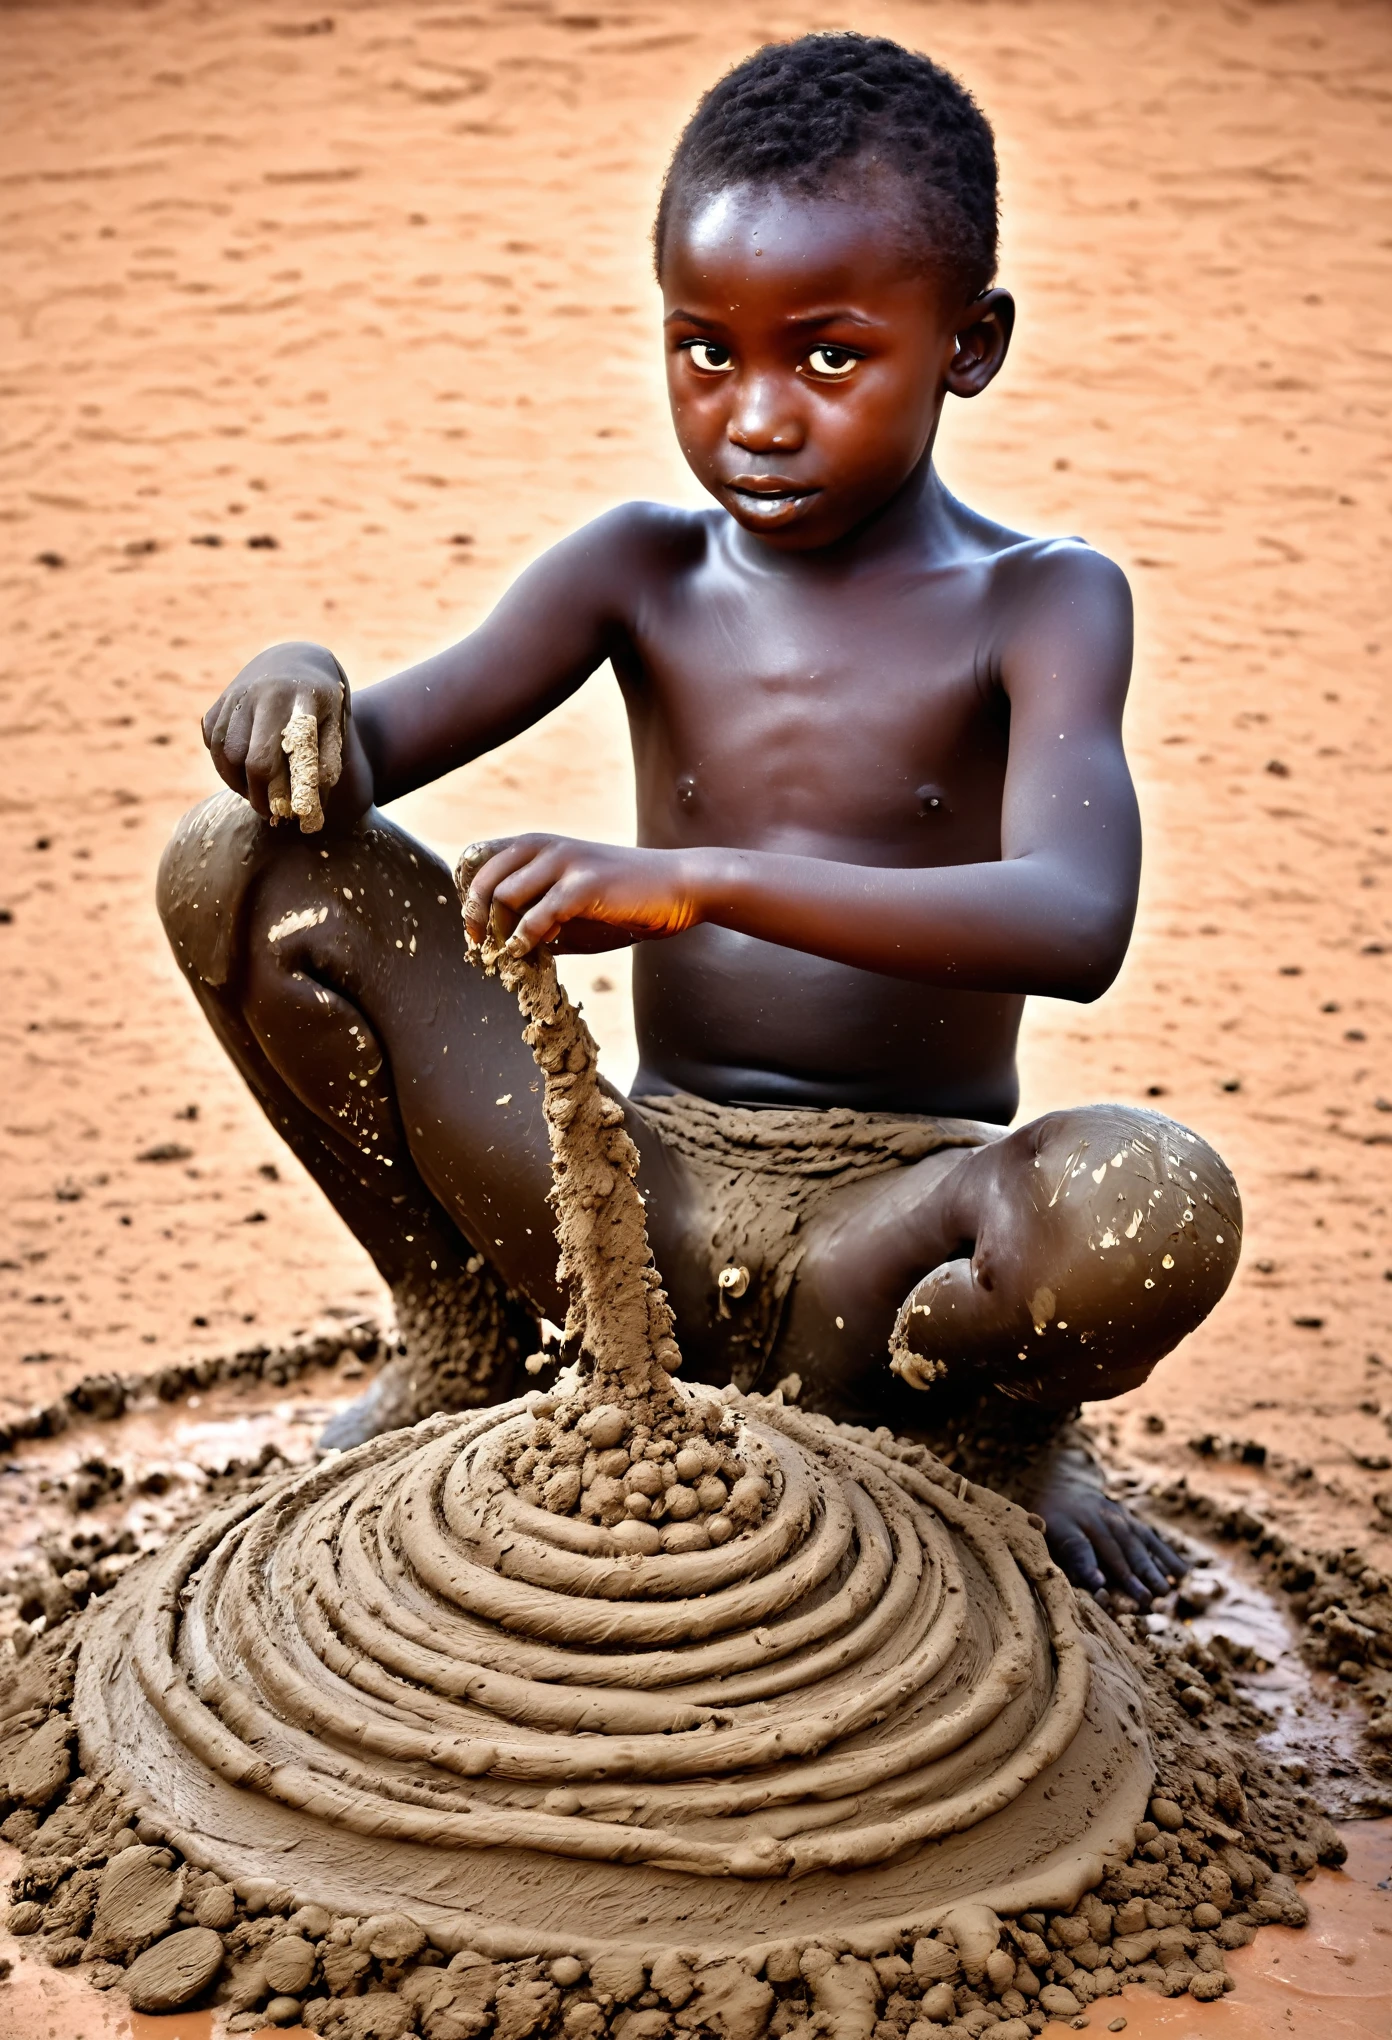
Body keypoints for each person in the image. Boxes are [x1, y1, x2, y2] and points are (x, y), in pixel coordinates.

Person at [159, 32, 1240, 1606]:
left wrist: (701, 882)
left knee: (1151, 1203)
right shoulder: (640, 570)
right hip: (626, 1214)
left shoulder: (1042, 600)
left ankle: (992, 1439)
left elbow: (1075, 921)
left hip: (887, 1235)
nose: (753, 417)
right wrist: (294, 686)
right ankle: (459, 1328)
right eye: (701, 350)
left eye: (826, 356)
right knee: (240, 868)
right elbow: (352, 765)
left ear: (971, 342)